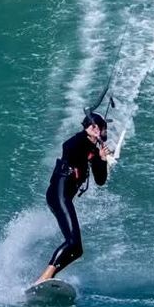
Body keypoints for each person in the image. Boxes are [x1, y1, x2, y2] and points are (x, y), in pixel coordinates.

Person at [36, 111, 114, 284]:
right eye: (91, 125)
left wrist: (101, 159)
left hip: (64, 197)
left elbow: (100, 181)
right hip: (58, 194)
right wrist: (88, 135)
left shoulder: (94, 151)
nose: (95, 128)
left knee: (77, 249)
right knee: (72, 242)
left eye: (98, 126)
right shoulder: (78, 142)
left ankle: (47, 280)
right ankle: (43, 279)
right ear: (86, 127)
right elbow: (67, 146)